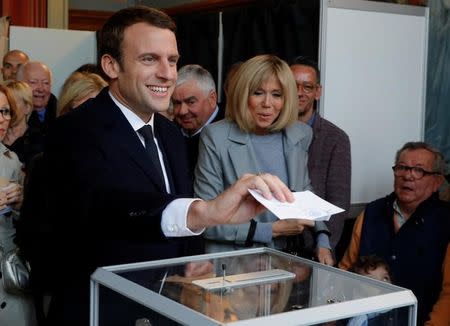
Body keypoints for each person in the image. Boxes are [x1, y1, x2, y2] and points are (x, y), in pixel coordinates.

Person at [43, 7, 294, 326]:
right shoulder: (74, 130)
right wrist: (202, 212)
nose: (167, 74)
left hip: (167, 310)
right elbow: (105, 207)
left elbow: (179, 229)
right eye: (149, 59)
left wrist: (191, 263)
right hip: (99, 311)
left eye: (172, 60)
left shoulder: (171, 134)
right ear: (111, 65)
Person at [194, 54, 333, 265]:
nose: (267, 104)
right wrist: (270, 231)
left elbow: (305, 194)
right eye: (258, 93)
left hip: (285, 264)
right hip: (232, 265)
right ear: (242, 94)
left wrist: (323, 240)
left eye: (276, 95)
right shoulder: (215, 137)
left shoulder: (300, 134)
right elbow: (204, 220)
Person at [339, 142, 450, 325]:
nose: (407, 176)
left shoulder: (446, 222)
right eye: (402, 168)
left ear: (437, 182)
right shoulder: (371, 213)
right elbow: (346, 271)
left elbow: (449, 293)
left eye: (419, 170)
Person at [289, 56, 351, 254]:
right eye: (293, 85)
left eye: (307, 87)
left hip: (313, 248)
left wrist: (323, 245)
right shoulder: (268, 132)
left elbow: (338, 202)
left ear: (318, 92)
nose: (299, 93)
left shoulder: (336, 139)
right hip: (274, 241)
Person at [0, 84, 36, 326]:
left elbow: (31, 223)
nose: (1, 119)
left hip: (9, 280)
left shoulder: (11, 160)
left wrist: (23, 201)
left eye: (5, 111)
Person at [172, 64, 224, 173]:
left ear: (212, 99)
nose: (182, 111)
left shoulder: (231, 134)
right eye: (177, 103)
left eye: (191, 102)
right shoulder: (167, 132)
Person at [16, 61, 57, 170]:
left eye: (46, 83)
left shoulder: (62, 116)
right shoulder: (8, 116)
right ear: (19, 85)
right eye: (33, 82)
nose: (41, 88)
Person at [2, 80, 33, 163]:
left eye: (12, 102)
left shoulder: (38, 141)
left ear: (27, 107)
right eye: (5, 103)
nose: (9, 108)